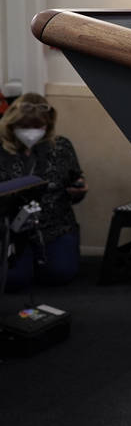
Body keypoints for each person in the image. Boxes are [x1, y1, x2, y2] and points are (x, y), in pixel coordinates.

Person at [1, 93, 87, 292]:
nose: (31, 133)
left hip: (55, 227)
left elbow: (75, 183)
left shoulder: (62, 147)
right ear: (11, 125)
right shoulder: (1, 150)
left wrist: (79, 190)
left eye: (38, 127)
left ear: (47, 127)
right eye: (24, 127)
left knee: (60, 274)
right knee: (14, 280)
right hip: (11, 229)